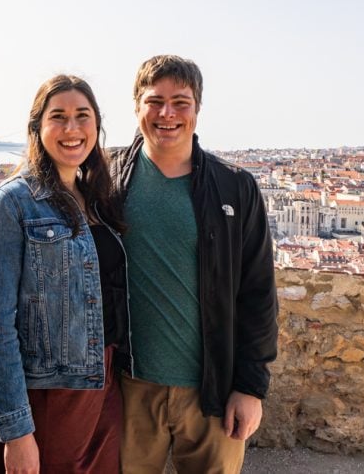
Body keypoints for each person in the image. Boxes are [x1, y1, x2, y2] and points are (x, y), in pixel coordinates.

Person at [112, 55, 278, 473]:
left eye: (180, 102)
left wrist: (250, 387)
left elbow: (257, 292)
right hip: (127, 387)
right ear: (136, 107)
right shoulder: (108, 179)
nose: (167, 114)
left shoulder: (234, 187)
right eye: (155, 101)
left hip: (213, 391)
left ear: (197, 110)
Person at [0, 75, 129, 474]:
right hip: (49, 397)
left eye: (83, 116)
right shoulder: (10, 203)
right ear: (37, 128)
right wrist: (16, 432)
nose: (72, 129)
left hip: (105, 383)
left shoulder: (96, 197)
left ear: (97, 125)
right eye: (58, 117)